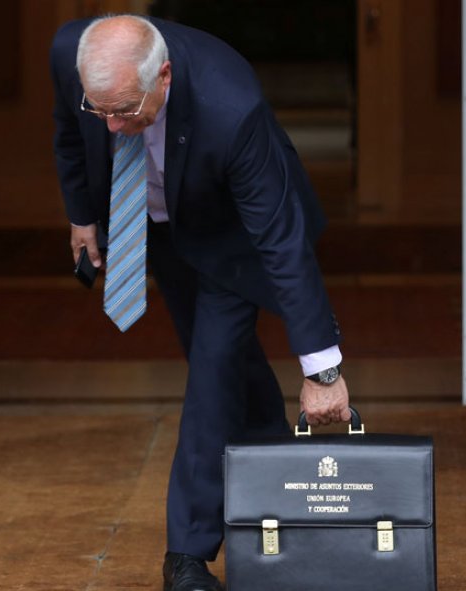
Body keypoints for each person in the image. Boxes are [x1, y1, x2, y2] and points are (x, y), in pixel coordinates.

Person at [50, 15, 352, 591]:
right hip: (160, 224)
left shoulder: (231, 107)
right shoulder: (72, 52)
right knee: (226, 363)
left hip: (233, 233)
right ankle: (271, 488)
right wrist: (81, 213)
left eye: (126, 112)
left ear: (163, 76)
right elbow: (69, 128)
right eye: (101, 111)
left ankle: (185, 558)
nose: (113, 127)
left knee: (213, 371)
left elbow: (282, 245)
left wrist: (322, 370)